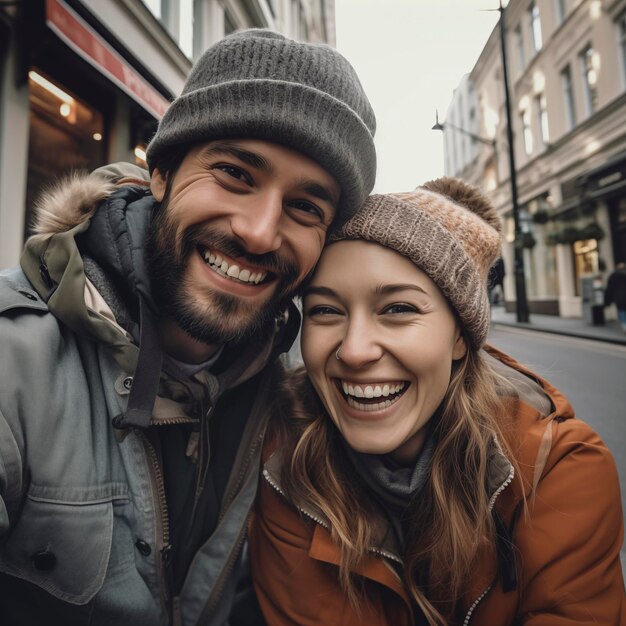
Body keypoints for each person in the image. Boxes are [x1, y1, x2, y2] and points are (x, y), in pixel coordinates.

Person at [0, 29, 376, 625]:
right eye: (233, 173)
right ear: (161, 173)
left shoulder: (298, 400)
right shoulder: (12, 361)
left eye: (306, 207)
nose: (258, 231)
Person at [249, 178, 625, 625]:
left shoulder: (559, 467)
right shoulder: (285, 463)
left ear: (460, 340)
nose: (354, 350)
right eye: (325, 310)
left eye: (399, 309)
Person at [605, 261, 626, 333]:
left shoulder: (613, 275)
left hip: (618, 297)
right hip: (620, 297)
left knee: (621, 311)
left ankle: (624, 325)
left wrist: (608, 299)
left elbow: (609, 288)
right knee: (622, 310)